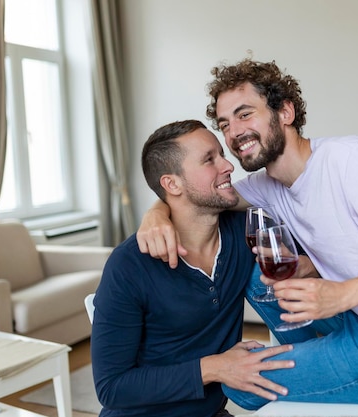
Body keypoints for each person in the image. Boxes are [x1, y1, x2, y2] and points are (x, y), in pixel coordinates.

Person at [136, 59, 358, 410]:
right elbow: (205, 196)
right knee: (257, 272)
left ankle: (319, 374)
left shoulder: (351, 161)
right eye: (225, 124)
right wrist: (156, 212)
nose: (234, 133)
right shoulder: (268, 186)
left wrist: (341, 295)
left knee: (243, 386)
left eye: (245, 114)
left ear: (285, 111)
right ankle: (315, 364)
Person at [90, 119, 297, 417]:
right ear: (172, 184)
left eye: (221, 154)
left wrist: (157, 209)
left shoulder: (244, 232)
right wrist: (216, 368)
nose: (228, 166)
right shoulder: (129, 264)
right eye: (209, 160)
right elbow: (112, 387)